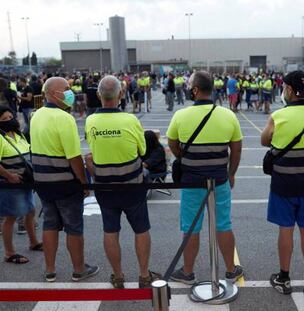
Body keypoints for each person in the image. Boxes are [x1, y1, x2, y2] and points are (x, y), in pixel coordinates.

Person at [167, 71, 244, 285]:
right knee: (223, 224)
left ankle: (188, 272)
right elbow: (236, 150)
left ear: (195, 90)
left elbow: (172, 143)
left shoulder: (180, 116)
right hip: (219, 179)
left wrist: (184, 156)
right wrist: (231, 174)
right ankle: (230, 269)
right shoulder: (228, 115)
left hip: (192, 181)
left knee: (191, 227)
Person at [85, 75, 160, 289]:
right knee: (141, 229)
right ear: (120, 94)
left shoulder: (91, 121)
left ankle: (118, 276)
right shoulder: (130, 120)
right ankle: (144, 275)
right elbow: (143, 151)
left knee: (110, 230)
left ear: (99, 95)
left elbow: (93, 147)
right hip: (132, 185)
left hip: (105, 186)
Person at [261, 71, 304, 295]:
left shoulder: (278, 116)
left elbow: (265, 140)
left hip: (283, 184)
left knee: (286, 229)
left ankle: (284, 277)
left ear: (289, 90)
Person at [30, 77, 99, 282]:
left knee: (50, 224)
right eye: (66, 89)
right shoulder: (64, 118)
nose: (70, 92)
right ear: (52, 93)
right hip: (65, 182)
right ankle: (79, 269)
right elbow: (74, 157)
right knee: (74, 227)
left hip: (42, 180)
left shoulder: (36, 115)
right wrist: (83, 182)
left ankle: (50, 270)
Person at [0, 106, 42, 264]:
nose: (10, 120)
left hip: (25, 182)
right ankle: (9, 253)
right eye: (4, 119)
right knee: (10, 217)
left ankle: (33, 242)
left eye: (11, 116)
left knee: (30, 211)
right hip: (10, 184)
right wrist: (9, 176)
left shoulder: (19, 135)